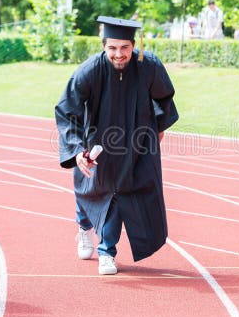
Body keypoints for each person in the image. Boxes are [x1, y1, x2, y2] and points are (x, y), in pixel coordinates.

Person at [55, 16, 179, 275]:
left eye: (124, 48)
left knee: (123, 192)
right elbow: (67, 110)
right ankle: (84, 227)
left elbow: (164, 96)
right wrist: (78, 150)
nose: (119, 54)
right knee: (90, 188)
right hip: (99, 139)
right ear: (104, 46)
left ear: (133, 46)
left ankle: (106, 252)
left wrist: (158, 126)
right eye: (112, 48)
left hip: (139, 141)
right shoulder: (90, 70)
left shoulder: (148, 66)